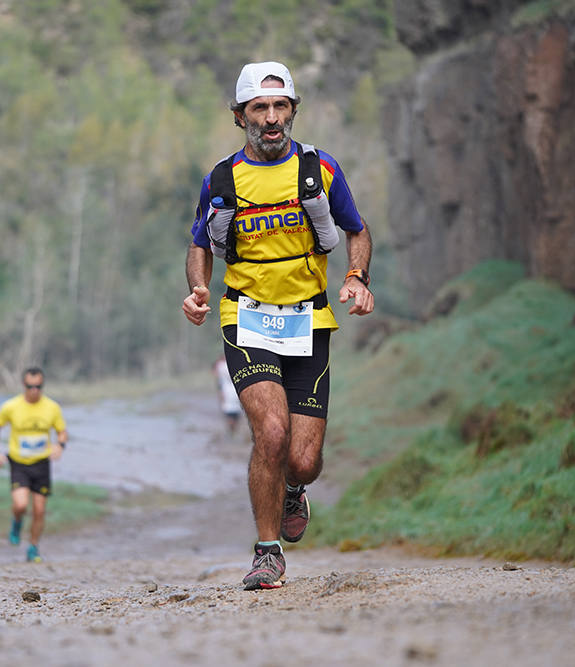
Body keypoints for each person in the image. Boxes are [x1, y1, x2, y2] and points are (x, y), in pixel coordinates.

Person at [182, 61, 374, 590]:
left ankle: (294, 489)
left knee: (303, 459)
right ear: (240, 115)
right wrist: (199, 289)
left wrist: (357, 277)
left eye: (280, 107)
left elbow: (357, 232)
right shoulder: (222, 179)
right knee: (270, 432)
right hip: (245, 317)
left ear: (292, 110)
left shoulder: (319, 171)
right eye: (259, 108)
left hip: (309, 321)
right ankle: (267, 553)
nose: (271, 118)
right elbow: (199, 244)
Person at [0, 367, 68, 563]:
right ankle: (16, 522)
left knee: (40, 510)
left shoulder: (52, 407)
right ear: (24, 386)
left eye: (38, 387)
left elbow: (62, 432)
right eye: (30, 386)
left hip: (41, 464)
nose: (34, 390)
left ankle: (33, 547)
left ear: (42, 386)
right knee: (21, 504)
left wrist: (60, 445)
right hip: (18, 463)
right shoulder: (11, 406)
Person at [214, 355, 242, 435]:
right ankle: (232, 431)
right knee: (233, 413)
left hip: (230, 392)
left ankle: (232, 431)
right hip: (232, 392)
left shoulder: (221, 365)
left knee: (232, 413)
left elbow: (217, 378)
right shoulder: (233, 364)